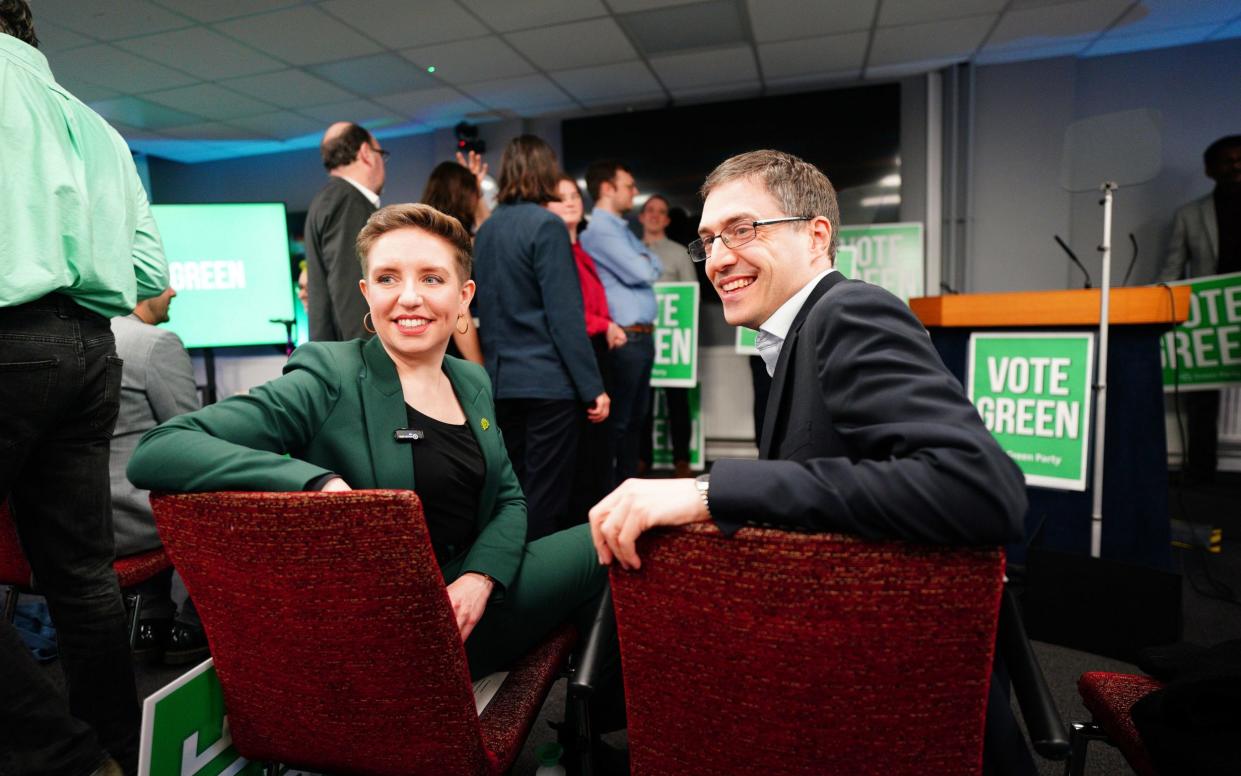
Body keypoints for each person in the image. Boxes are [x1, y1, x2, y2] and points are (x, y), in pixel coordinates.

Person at [589, 150, 1032, 773]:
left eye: (743, 230)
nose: (717, 258)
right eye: (710, 239)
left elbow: (980, 487)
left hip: (901, 712)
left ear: (816, 234)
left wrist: (709, 491)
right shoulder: (796, 335)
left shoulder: (850, 312)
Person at [128, 203, 614, 694]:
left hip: (468, 596)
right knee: (609, 543)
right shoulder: (329, 375)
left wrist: (480, 579)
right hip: (386, 626)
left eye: (430, 279)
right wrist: (315, 483)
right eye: (387, 279)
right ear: (366, 292)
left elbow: (509, 499)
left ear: (464, 295)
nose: (408, 298)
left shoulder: (471, 380)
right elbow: (160, 449)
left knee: (618, 533)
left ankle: (600, 725)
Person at [0, 2, 168, 773]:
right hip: (93, 350)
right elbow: (148, 277)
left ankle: (64, 757)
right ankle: (112, 750)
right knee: (81, 579)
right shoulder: (100, 128)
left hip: (6, 339)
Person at [473, 136, 609, 541]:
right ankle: (538, 591)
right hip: (549, 384)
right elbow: (564, 317)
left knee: (513, 494)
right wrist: (593, 387)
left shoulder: (488, 230)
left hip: (502, 383)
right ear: (545, 171)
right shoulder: (546, 225)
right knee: (547, 496)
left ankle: (504, 578)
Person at [109, 286, 208, 666]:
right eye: (164, 279)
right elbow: (189, 441)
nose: (174, 289)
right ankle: (194, 623)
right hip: (134, 521)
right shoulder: (153, 344)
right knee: (232, 488)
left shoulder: (79, 338)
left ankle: (151, 614)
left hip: (74, 524)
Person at [1156, 134, 1241, 484]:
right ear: (1210, 169)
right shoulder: (1189, 215)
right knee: (1202, 401)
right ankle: (1201, 474)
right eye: (1227, 160)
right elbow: (1171, 272)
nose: (1236, 166)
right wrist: (1154, 308)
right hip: (1211, 318)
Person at [547, 175, 628, 528]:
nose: (570, 202)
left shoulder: (581, 250)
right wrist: (603, 325)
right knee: (586, 450)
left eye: (574, 196)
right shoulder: (554, 252)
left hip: (598, 351)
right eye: (559, 197)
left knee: (602, 446)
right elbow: (565, 312)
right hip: (579, 353)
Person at [580, 161, 662, 484]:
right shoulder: (599, 231)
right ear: (607, 189)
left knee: (635, 422)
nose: (635, 192)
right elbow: (645, 271)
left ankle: (628, 491)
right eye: (629, 185)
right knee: (621, 423)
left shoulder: (620, 229)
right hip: (624, 340)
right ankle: (613, 495)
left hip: (640, 338)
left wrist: (644, 261)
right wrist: (644, 262)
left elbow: (651, 264)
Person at [305, 121, 386, 342]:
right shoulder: (349, 201)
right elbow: (352, 292)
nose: (383, 163)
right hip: (355, 364)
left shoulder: (327, 199)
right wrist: (369, 363)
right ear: (366, 153)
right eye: (381, 154)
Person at [638, 194, 696, 477]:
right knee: (641, 404)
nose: (655, 215)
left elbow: (691, 296)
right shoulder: (629, 250)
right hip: (640, 338)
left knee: (677, 403)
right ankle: (641, 459)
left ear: (667, 219)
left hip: (674, 340)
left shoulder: (678, 252)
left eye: (661, 211)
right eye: (650, 210)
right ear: (642, 216)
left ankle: (681, 460)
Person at [420, 153, 490, 365]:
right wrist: (478, 369)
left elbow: (491, 236)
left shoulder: (427, 238)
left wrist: (474, 185)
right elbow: (460, 312)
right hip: (458, 348)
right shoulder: (450, 245)